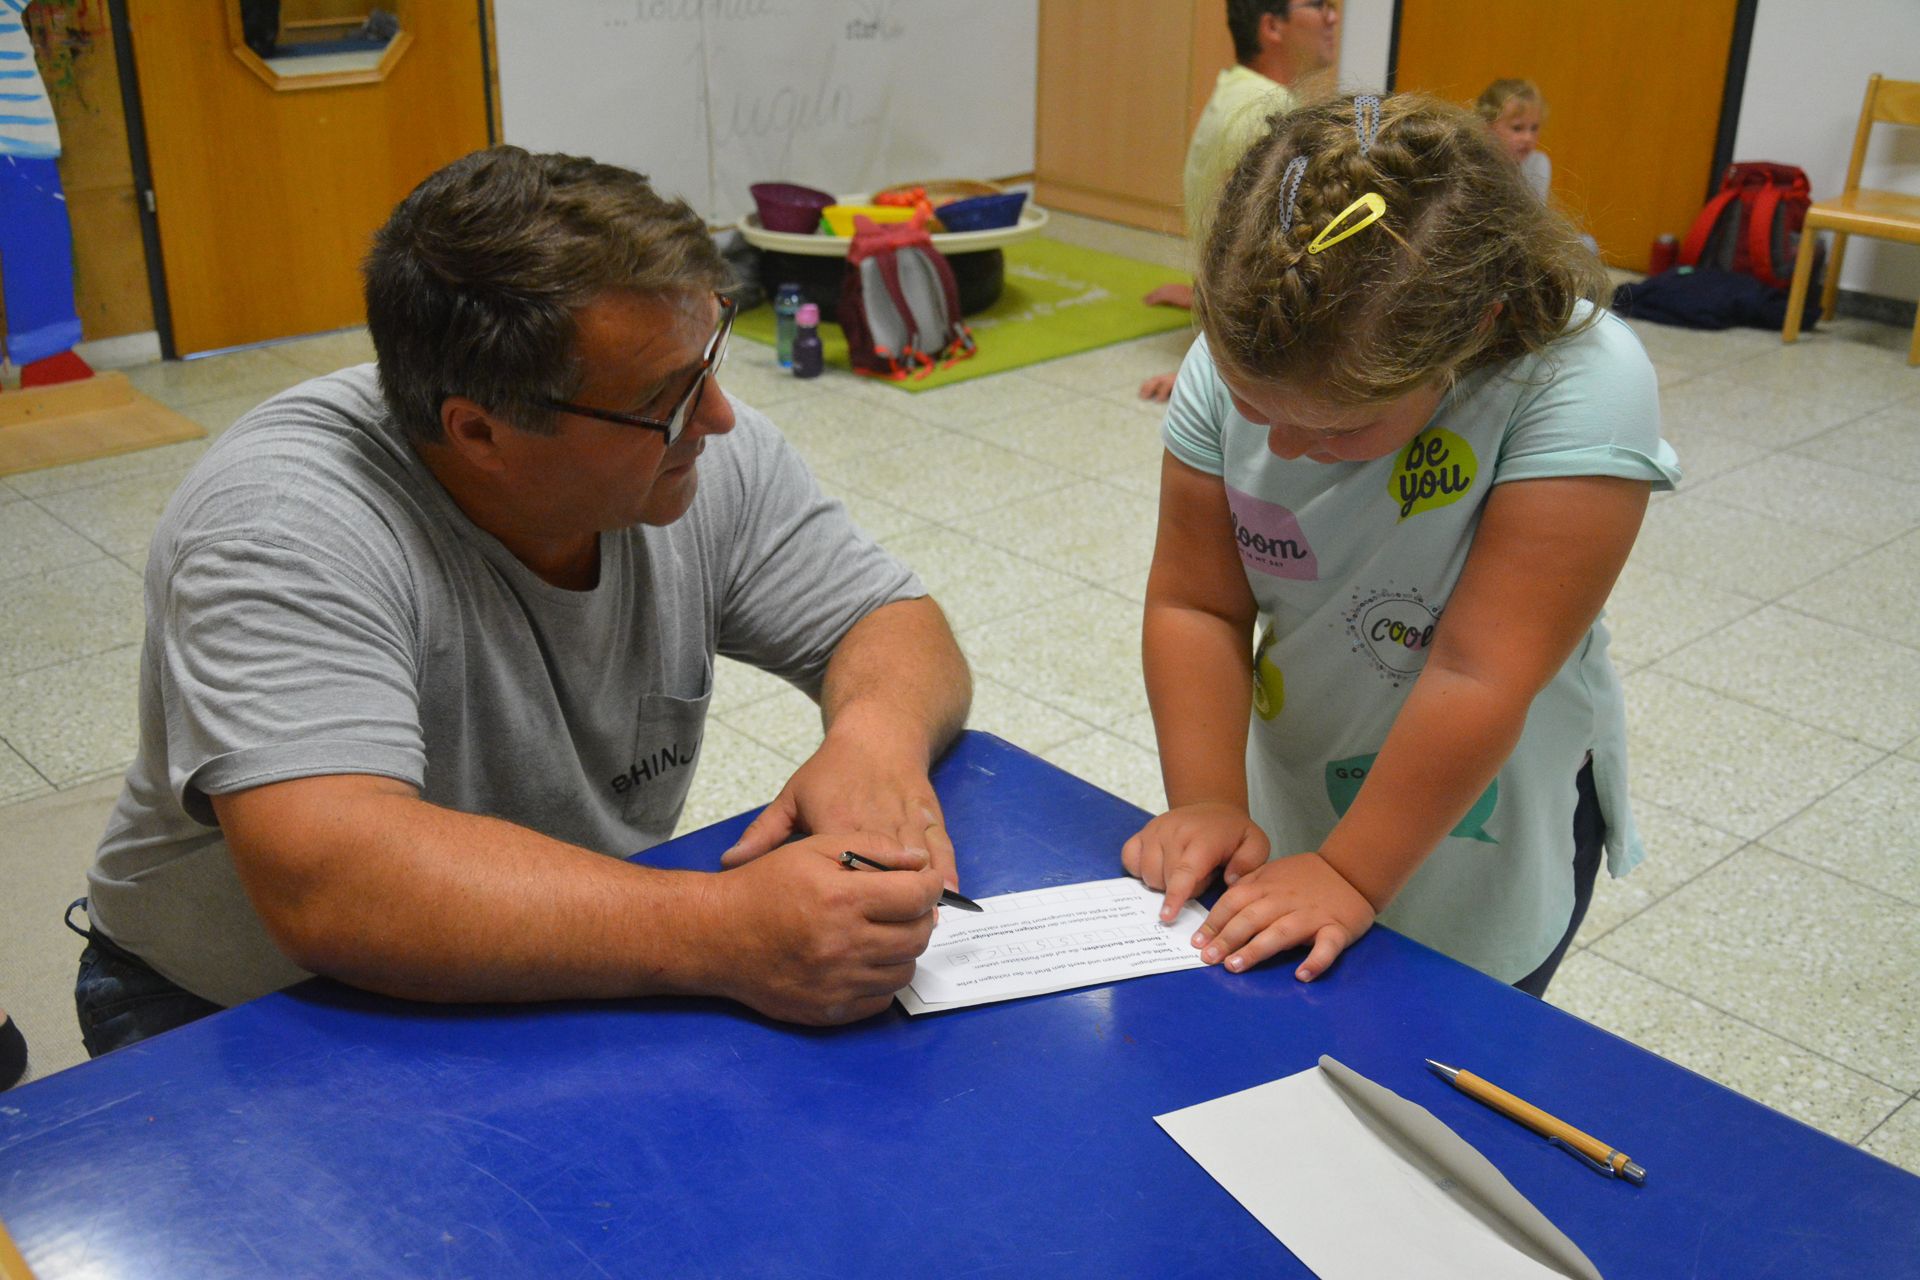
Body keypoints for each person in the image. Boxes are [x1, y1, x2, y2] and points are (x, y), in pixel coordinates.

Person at [72, 146, 973, 1054]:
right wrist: (723, 927)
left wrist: (873, 742)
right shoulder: (279, 527)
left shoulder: (686, 454)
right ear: (479, 431)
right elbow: (334, 883)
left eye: (709, 356)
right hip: (240, 1009)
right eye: (666, 399)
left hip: (548, 958)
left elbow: (886, 618)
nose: (718, 417)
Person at [1122, 93, 1678, 997]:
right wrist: (1210, 801)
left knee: (1446, 1036)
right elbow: (1197, 604)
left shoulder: (1583, 380)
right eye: (1254, 407)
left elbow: (1479, 672)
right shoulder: (1245, 351)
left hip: (1483, 831)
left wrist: (1352, 874)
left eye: (1338, 427)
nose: (1283, 447)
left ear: (1475, 329)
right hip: (1299, 787)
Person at [1139, 0, 1339, 404]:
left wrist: (1201, 293)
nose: (1332, 16)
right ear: (1272, 27)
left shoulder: (1235, 88)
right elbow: (1257, 246)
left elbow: (1226, 214)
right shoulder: (1267, 108)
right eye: (1316, 5)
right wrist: (1210, 366)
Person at [1475, 78, 1551, 203]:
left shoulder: (1537, 164)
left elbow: (1535, 213)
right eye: (1517, 128)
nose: (1528, 138)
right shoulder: (1471, 165)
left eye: (1534, 128)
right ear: (1486, 125)